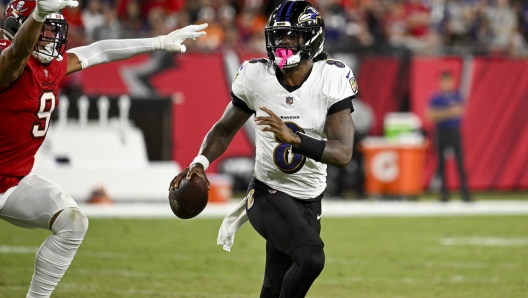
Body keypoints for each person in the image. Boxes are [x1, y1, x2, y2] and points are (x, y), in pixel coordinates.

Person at [0, 1, 207, 297]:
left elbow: (100, 51)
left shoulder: (53, 64)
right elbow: (17, 54)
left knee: (73, 223)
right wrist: (38, 14)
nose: (50, 38)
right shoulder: (9, 62)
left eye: (52, 30)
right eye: (42, 29)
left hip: (15, 180)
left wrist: (158, 41)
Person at [169, 1, 357, 297]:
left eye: (291, 36)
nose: (282, 43)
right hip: (267, 191)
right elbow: (224, 128)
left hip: (309, 198)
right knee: (310, 257)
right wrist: (200, 161)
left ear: (311, 38)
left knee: (272, 288)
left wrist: (297, 140)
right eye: (278, 36)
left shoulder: (330, 79)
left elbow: (342, 153)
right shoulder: (257, 77)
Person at [426, 70, 471, 202]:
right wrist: (449, 112)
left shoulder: (457, 97)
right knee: (441, 163)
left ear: (452, 81)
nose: (446, 84)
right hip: (440, 132)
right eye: (443, 81)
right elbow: (430, 116)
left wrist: (440, 114)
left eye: (448, 81)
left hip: (454, 131)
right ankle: (444, 193)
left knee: (460, 162)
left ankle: (465, 192)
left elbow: (460, 112)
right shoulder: (435, 98)